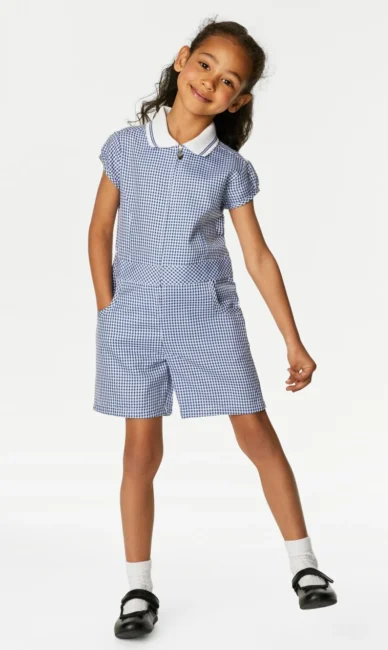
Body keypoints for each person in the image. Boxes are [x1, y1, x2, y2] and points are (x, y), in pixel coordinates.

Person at [88, 17, 337, 639]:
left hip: (208, 319)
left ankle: (306, 566)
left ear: (238, 100)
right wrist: (108, 309)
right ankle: (138, 589)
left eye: (229, 81)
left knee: (256, 435)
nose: (211, 82)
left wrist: (293, 339)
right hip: (135, 320)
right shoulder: (125, 147)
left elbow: (258, 256)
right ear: (182, 61)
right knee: (140, 452)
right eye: (206, 65)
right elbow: (99, 230)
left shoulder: (227, 168)